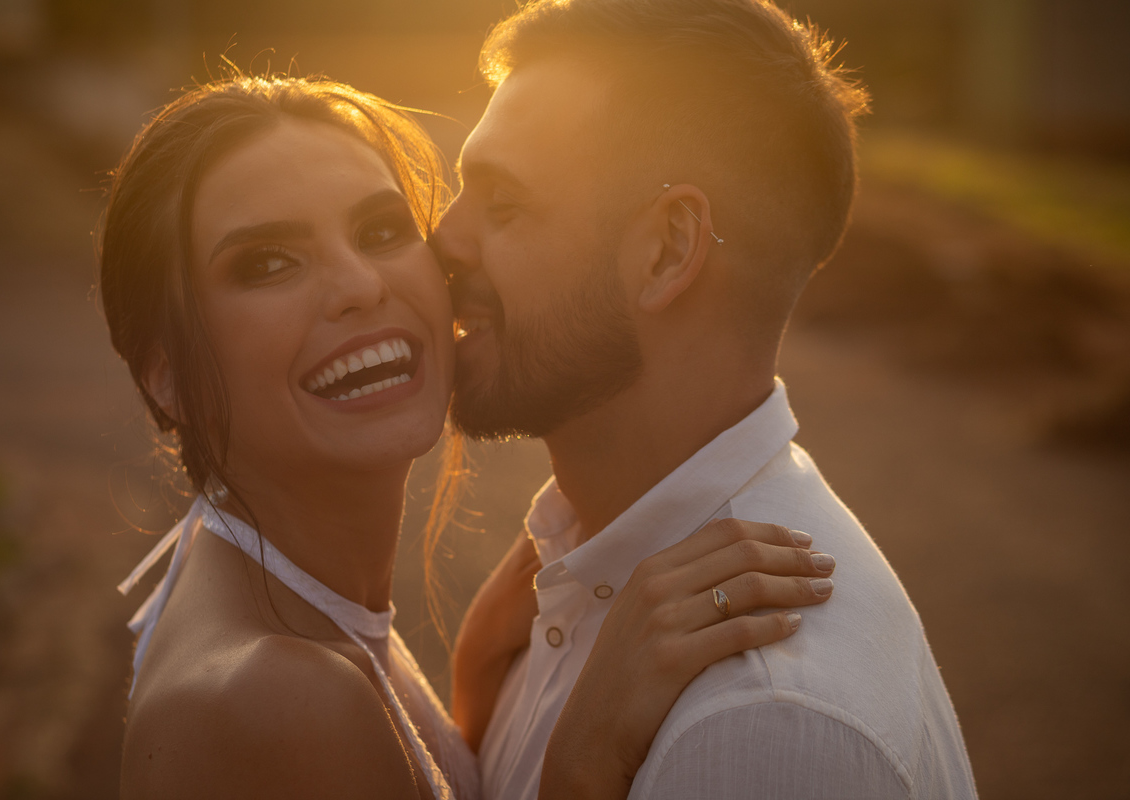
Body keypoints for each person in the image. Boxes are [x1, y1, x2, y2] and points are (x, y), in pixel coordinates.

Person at [103, 75, 836, 799]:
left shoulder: (270, 594)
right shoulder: (279, 701)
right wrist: (582, 764)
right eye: (267, 264)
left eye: (381, 230)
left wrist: (476, 680)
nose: (359, 283)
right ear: (169, 378)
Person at [436, 0, 979, 797]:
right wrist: (479, 692)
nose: (444, 239)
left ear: (666, 250)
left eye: (504, 204)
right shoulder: (574, 582)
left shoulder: (763, 728)